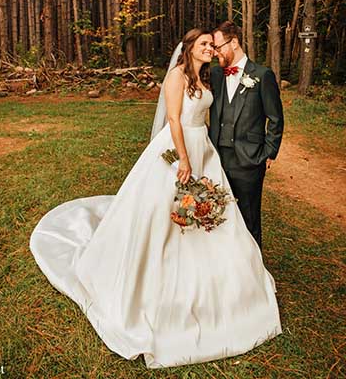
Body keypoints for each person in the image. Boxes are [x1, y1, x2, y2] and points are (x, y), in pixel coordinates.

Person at [30, 29, 281, 369]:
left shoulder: (209, 76)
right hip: (178, 150)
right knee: (163, 213)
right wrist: (183, 159)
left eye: (212, 44)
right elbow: (174, 119)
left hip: (205, 150)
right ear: (189, 47)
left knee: (211, 213)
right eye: (204, 44)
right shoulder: (177, 76)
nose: (209, 48)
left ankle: (231, 285)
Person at [209, 20, 284, 248]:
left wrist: (269, 152)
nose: (215, 53)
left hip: (249, 159)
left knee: (248, 219)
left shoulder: (262, 75)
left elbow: (275, 118)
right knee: (218, 215)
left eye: (218, 47)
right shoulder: (215, 74)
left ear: (234, 42)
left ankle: (254, 266)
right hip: (217, 158)